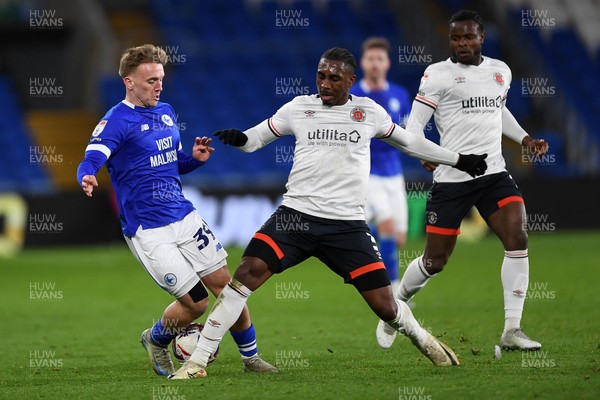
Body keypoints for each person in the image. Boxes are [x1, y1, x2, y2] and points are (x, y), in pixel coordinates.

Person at [169, 47, 489, 379]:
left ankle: (425, 340)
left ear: (351, 80)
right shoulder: (299, 107)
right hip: (295, 217)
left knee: (386, 307)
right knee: (246, 273)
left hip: (346, 225)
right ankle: (197, 362)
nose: (325, 83)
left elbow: (410, 143)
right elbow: (255, 139)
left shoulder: (369, 113)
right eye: (321, 76)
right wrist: (239, 138)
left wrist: (458, 160)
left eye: (334, 78)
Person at [76, 44, 277, 377]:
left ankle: (251, 359)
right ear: (128, 81)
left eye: (161, 79)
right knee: (196, 304)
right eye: (151, 80)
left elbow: (172, 164)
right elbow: (92, 156)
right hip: (148, 229)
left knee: (229, 289)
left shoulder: (166, 111)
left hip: (184, 217)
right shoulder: (116, 120)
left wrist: (193, 161)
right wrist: (86, 174)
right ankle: (155, 339)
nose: (159, 86)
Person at [375, 10, 548, 351]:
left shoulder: (500, 71)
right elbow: (414, 126)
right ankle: (393, 307)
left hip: (493, 174)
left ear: (482, 37)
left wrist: (525, 139)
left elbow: (497, 109)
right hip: (452, 178)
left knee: (518, 236)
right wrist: (426, 151)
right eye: (456, 38)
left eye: (469, 37)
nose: (462, 43)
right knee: (434, 261)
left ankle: (512, 330)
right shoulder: (437, 75)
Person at [350, 37, 412, 294]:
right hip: (368, 174)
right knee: (386, 225)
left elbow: (408, 135)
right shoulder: (353, 96)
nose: (375, 63)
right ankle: (393, 292)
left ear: (387, 63)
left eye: (380, 59)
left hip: (394, 174)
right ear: (363, 62)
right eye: (370, 59)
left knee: (398, 237)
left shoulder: (400, 95)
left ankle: (361, 234)